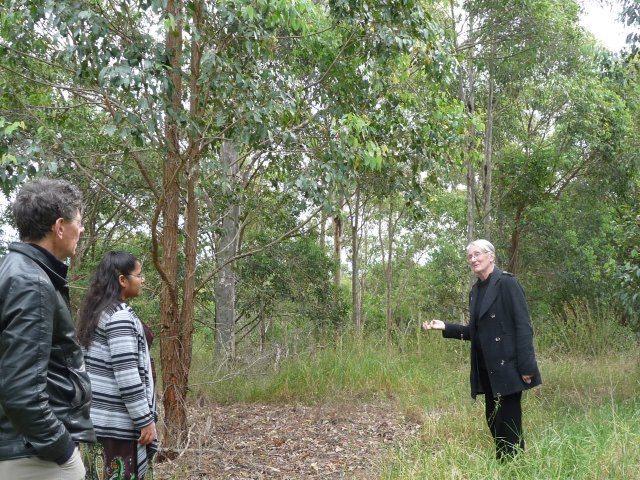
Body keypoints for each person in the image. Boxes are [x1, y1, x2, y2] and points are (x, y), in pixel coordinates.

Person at [0, 178, 96, 479]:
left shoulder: (16, 271)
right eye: (78, 222)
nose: (81, 230)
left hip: (24, 447)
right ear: (59, 226)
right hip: (34, 456)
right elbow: (20, 389)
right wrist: (62, 448)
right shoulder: (32, 283)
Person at [423, 239, 541, 460]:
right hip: (487, 369)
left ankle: (514, 466)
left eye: (478, 254)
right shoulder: (476, 291)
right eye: (470, 256)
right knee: (493, 419)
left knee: (509, 422)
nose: (473, 259)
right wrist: (446, 327)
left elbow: (523, 327)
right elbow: (476, 332)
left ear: (491, 256)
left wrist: (527, 367)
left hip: (509, 367)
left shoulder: (507, 283)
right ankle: (504, 463)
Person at [77, 251, 157, 480]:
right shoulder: (119, 317)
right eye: (139, 275)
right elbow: (127, 374)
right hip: (118, 429)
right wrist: (145, 420)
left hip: (97, 424)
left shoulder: (98, 313)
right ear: (123, 280)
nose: (142, 280)